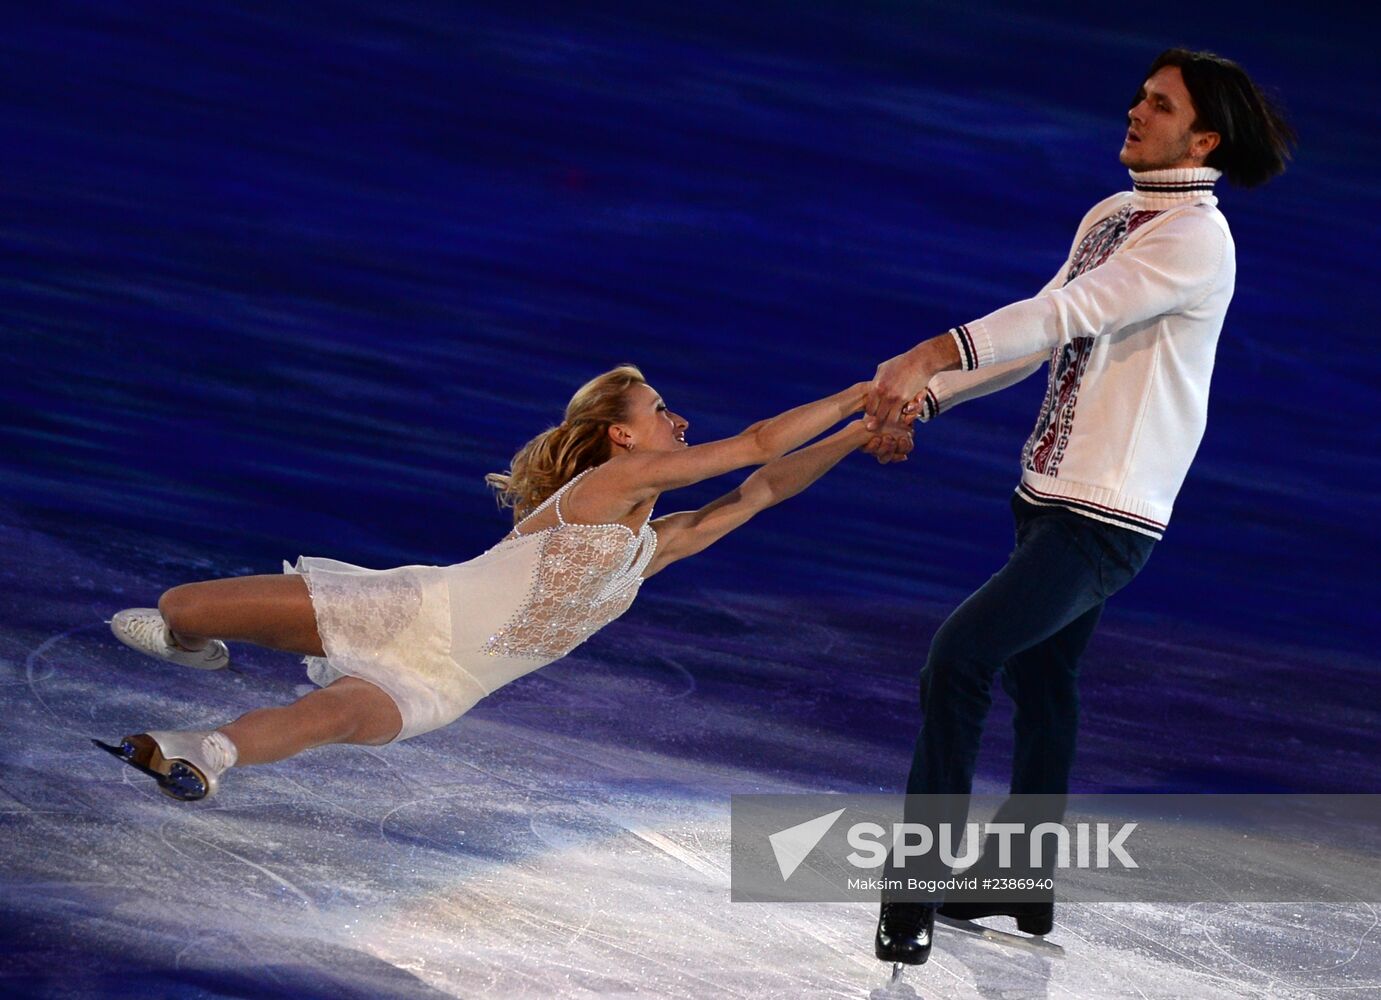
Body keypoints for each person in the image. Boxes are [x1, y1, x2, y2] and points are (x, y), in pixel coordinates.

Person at [864, 48, 1296, 965]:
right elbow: (1039, 328)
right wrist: (927, 401)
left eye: (1158, 104)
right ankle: (1020, 887)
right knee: (1042, 681)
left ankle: (914, 890)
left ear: (1202, 136)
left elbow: (1068, 314)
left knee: (960, 660)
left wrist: (929, 351)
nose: (1134, 112)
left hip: (1106, 516)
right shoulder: (1113, 214)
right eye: (1139, 96)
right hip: (1046, 493)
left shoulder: (1193, 237)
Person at [97, 365, 901, 800]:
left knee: (321, 719)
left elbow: (761, 489)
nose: (678, 422)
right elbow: (755, 446)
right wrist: (860, 392)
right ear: (622, 437)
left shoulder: (646, 550)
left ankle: (202, 751)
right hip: (407, 611)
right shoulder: (600, 490)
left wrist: (860, 435)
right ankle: (192, 647)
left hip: (445, 687)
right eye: (662, 410)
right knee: (182, 607)